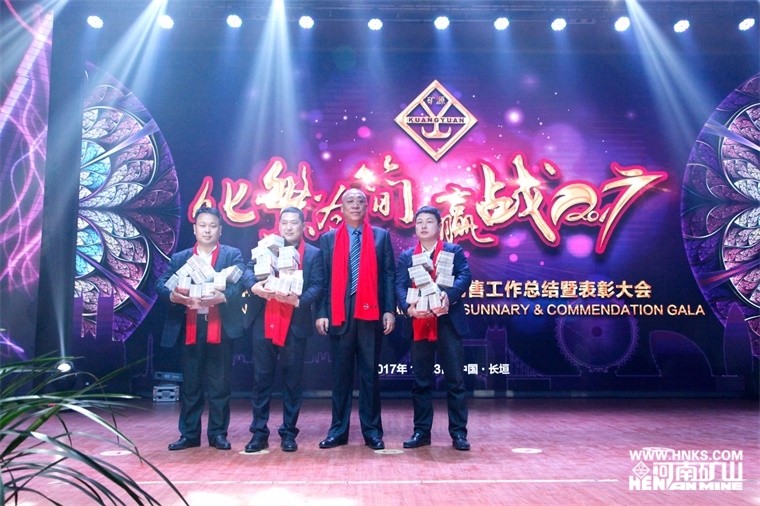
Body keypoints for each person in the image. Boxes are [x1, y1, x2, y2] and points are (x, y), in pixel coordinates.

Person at [156, 206, 245, 451]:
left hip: (221, 327)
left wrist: (223, 296)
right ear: (194, 229)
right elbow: (161, 284)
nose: (207, 230)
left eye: (212, 226)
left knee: (220, 386)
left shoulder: (232, 255)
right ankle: (189, 435)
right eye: (203, 225)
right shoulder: (181, 258)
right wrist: (174, 296)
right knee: (191, 385)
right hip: (190, 327)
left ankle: (218, 434)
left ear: (220, 230)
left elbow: (240, 284)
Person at [316, 188, 395, 450]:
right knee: (341, 377)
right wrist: (322, 312)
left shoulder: (381, 236)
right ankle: (338, 431)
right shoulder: (328, 239)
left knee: (370, 376)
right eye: (350, 201)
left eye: (360, 201)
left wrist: (389, 309)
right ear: (341, 208)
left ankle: (372, 431)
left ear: (366, 207)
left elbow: (388, 275)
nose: (355, 205)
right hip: (340, 312)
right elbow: (323, 279)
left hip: (371, 312)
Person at [241, 207, 324, 453]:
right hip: (264, 320)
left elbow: (317, 285)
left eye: (294, 223)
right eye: (284, 222)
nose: (289, 227)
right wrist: (255, 287)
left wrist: (298, 301)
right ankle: (259, 433)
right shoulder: (267, 247)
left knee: (292, 382)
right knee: (261, 379)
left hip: (295, 323)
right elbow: (247, 271)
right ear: (279, 225)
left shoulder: (313, 254)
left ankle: (289, 433)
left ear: (303, 226)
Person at [395, 205, 473, 451]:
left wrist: (449, 296)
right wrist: (407, 308)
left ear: (439, 227)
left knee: (455, 381)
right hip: (419, 321)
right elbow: (399, 285)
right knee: (421, 381)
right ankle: (421, 432)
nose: (424, 226)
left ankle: (458, 433)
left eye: (429, 221)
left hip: (448, 322)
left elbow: (465, 277)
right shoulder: (407, 256)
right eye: (419, 222)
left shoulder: (452, 250)